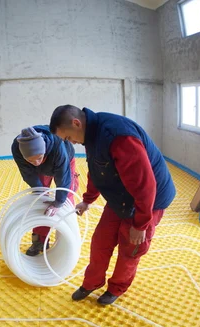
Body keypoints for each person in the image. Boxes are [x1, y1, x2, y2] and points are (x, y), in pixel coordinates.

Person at [49, 105, 175, 305]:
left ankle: (116, 287)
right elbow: (97, 171)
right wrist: (87, 200)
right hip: (121, 196)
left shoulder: (119, 137)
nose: (70, 142)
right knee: (100, 242)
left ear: (76, 123)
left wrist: (140, 224)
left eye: (67, 138)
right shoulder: (90, 136)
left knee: (131, 249)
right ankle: (92, 283)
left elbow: (145, 184)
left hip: (148, 201)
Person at [12, 125, 80, 256]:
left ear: (44, 150)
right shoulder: (17, 148)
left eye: (39, 158)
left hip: (64, 160)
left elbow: (63, 178)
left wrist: (58, 202)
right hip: (43, 167)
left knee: (66, 198)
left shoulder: (58, 146)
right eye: (31, 160)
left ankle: (66, 240)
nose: (36, 162)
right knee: (41, 200)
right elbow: (28, 174)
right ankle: (40, 240)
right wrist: (40, 192)